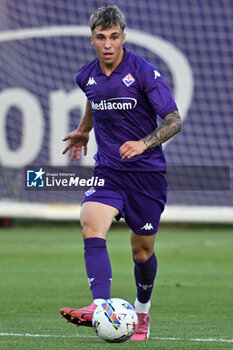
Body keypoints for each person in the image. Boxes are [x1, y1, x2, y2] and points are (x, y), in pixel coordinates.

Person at [60, 5, 182, 341]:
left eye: (114, 37)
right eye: (101, 37)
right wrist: (85, 129)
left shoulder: (143, 72)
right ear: (92, 40)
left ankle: (142, 313)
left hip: (146, 175)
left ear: (123, 38)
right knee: (90, 221)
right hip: (109, 171)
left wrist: (144, 143)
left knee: (141, 252)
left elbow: (174, 120)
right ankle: (99, 305)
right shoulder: (85, 75)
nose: (108, 44)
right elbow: (93, 97)